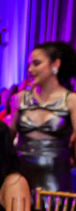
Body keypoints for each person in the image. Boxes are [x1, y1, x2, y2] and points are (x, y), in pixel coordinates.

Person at [10, 41, 76, 194]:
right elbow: (9, 137)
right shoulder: (20, 98)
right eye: (29, 65)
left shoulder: (71, 100)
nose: (30, 70)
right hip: (21, 179)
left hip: (55, 182)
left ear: (55, 64)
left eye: (36, 63)